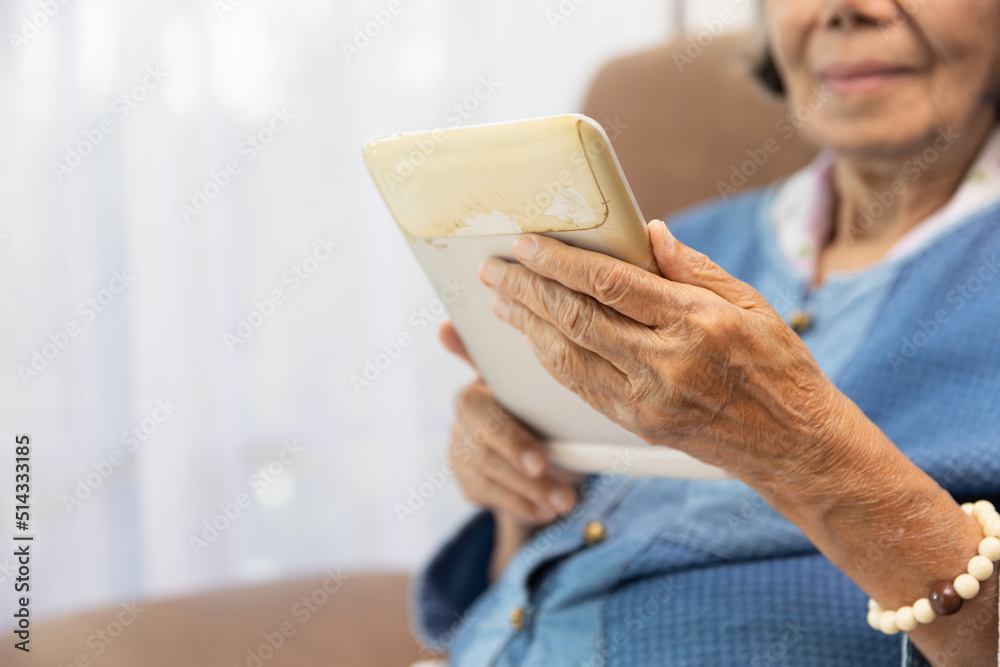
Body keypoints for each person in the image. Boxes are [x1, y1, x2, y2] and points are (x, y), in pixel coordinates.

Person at [412, 1, 1000, 665]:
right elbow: (534, 587)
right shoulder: (671, 240)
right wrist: (529, 486)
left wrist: (802, 447)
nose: (847, 9)